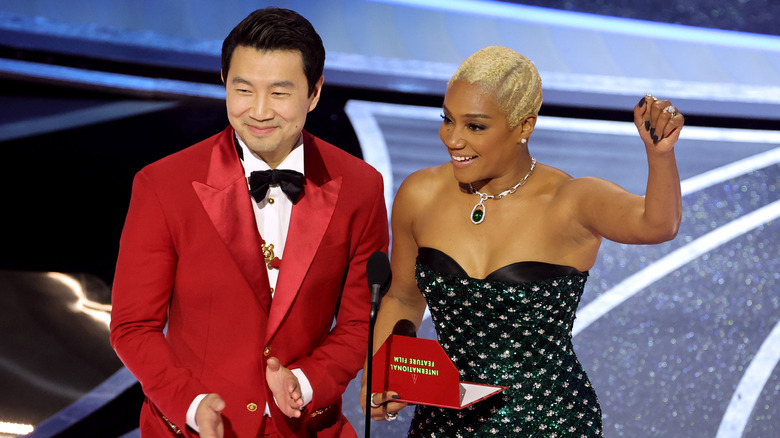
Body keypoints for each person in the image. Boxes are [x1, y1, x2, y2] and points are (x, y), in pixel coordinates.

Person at [361, 46, 683, 436]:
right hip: (444, 424)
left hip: (549, 424)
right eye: (447, 120)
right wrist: (380, 373)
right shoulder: (419, 193)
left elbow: (657, 225)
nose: (453, 139)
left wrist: (660, 155)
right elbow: (403, 298)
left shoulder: (571, 200)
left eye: (475, 126)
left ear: (524, 126)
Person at [110, 7, 389, 438]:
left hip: (305, 426)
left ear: (314, 93)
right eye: (243, 89)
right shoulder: (162, 185)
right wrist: (193, 404)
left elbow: (358, 321)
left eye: (279, 93)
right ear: (224, 82)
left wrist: (308, 380)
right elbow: (133, 327)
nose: (258, 112)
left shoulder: (360, 186)